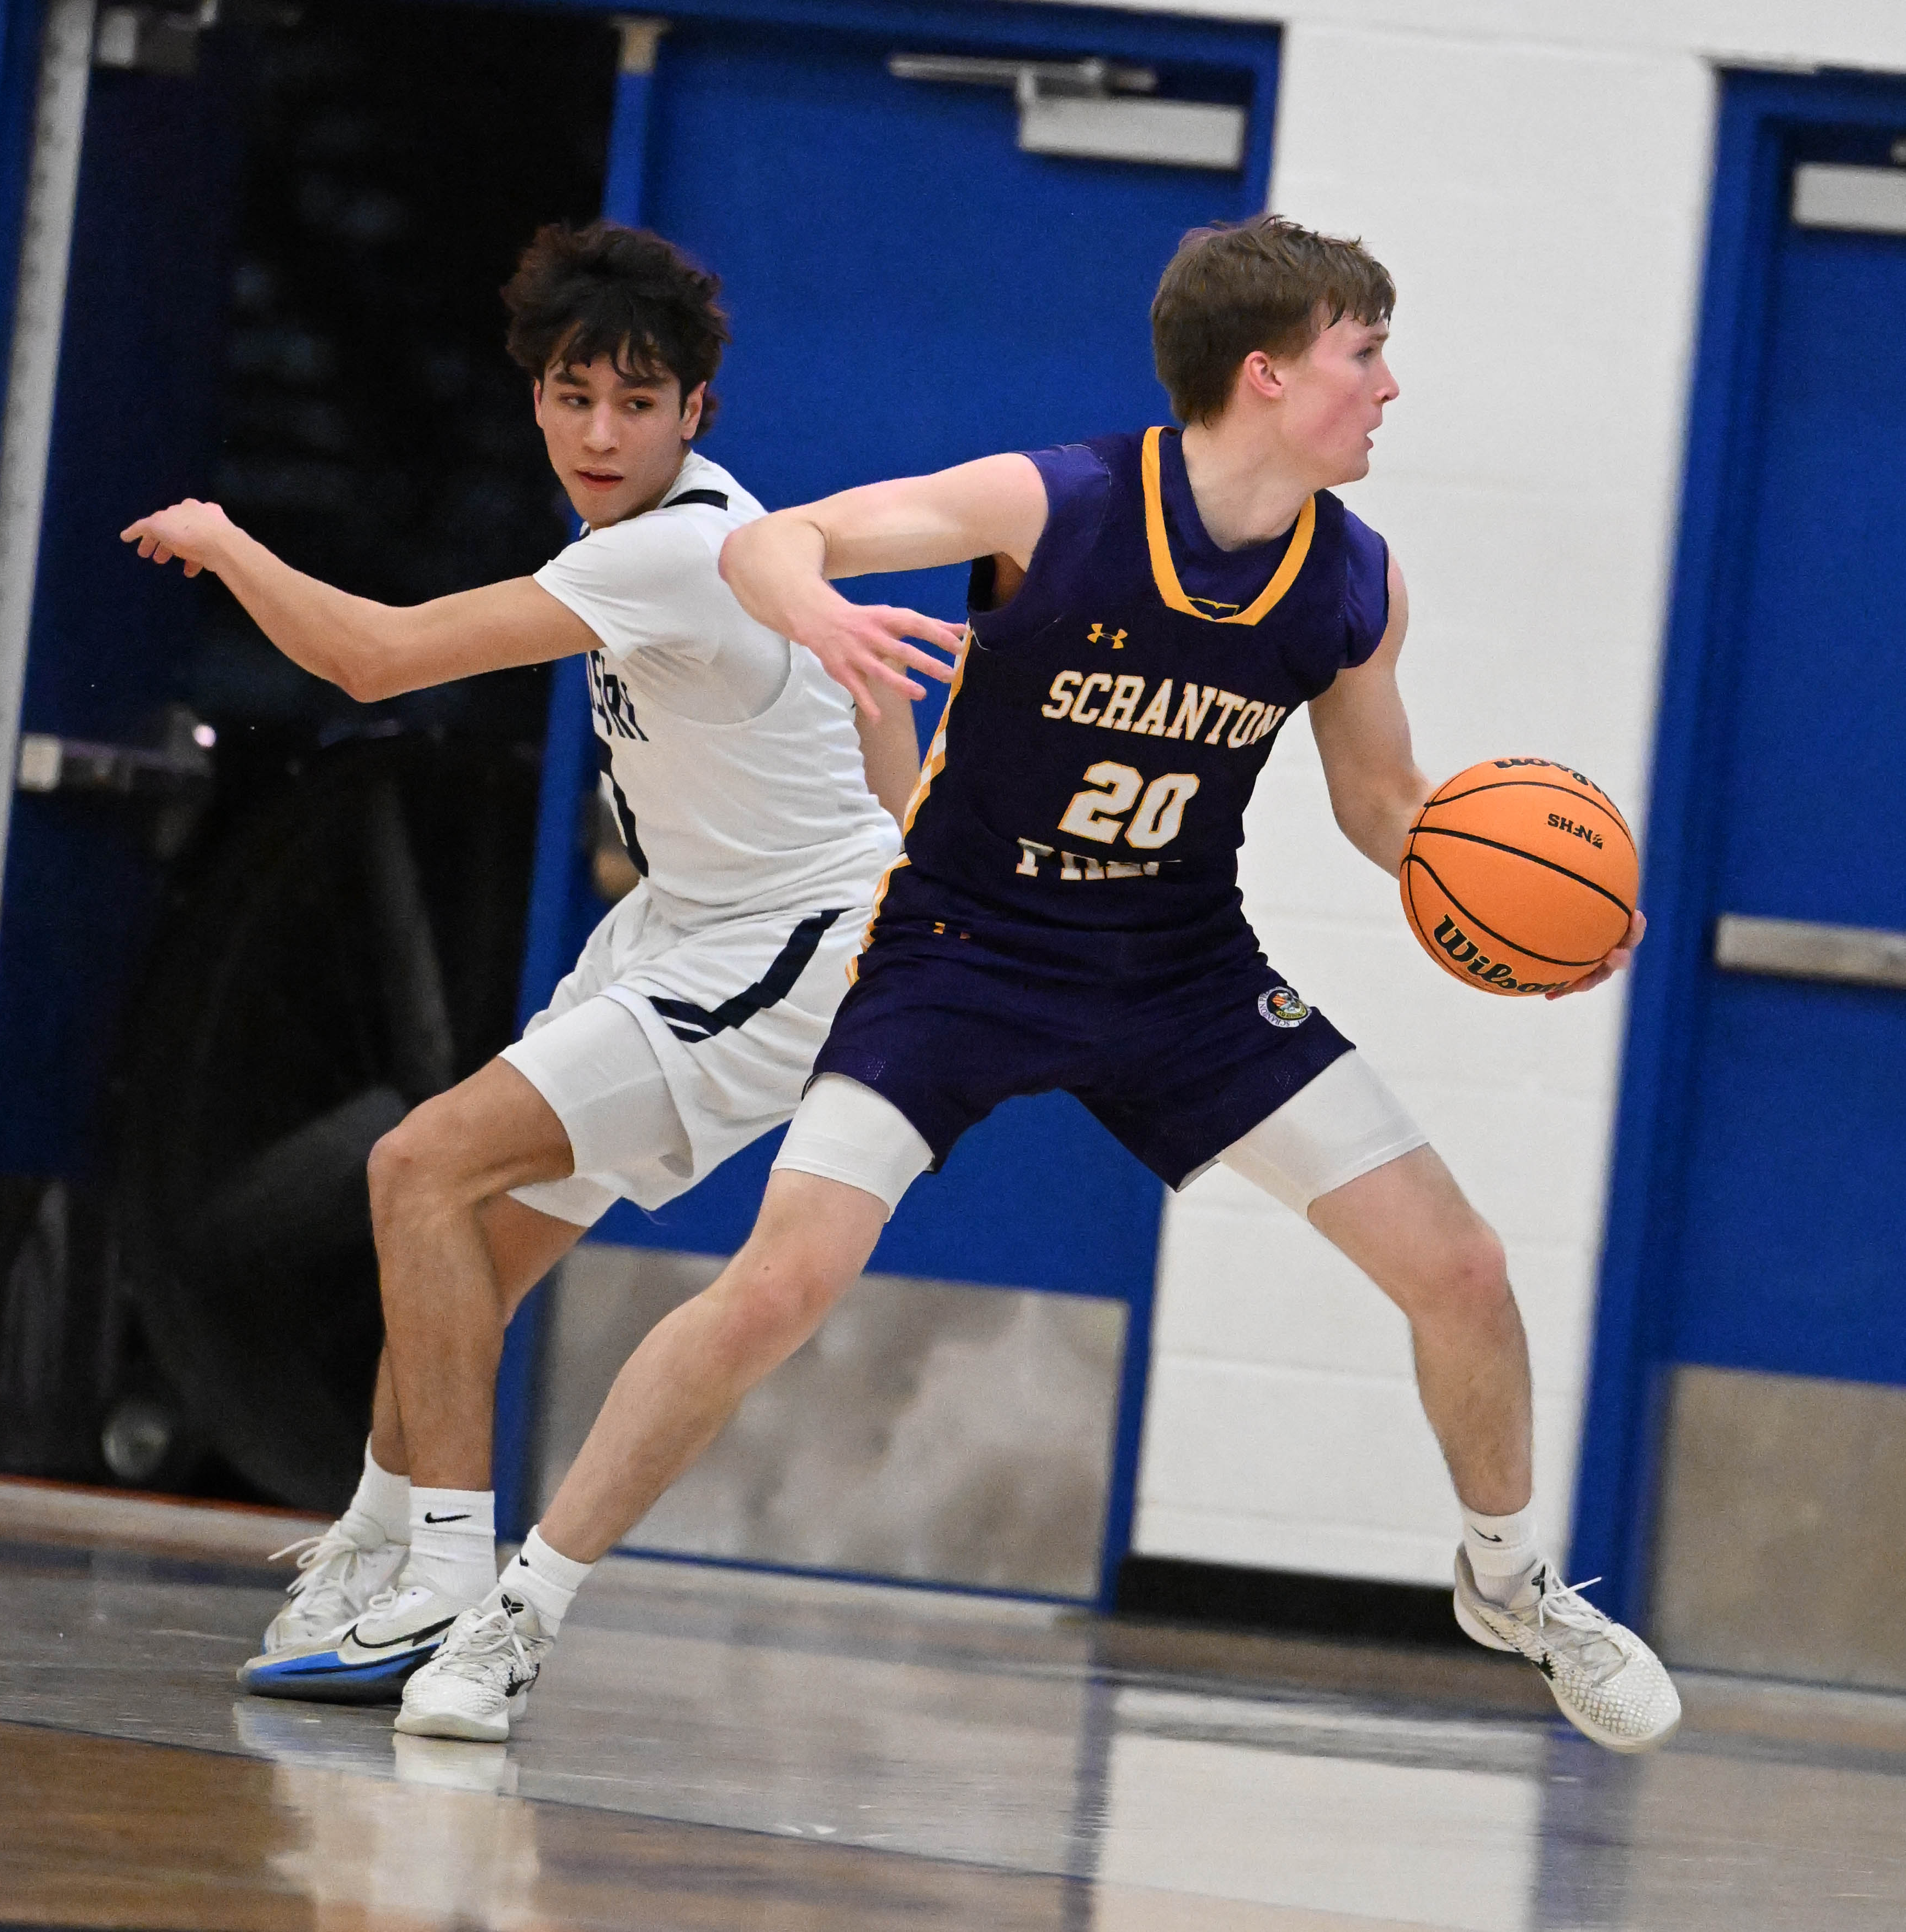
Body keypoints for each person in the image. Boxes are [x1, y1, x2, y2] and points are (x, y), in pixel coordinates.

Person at [378, 212, 1680, 1756]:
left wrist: (1529, 916)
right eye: (1364, 352)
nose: (1388, 387)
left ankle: (1509, 1584)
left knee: (1460, 1266)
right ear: (1265, 375)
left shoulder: (1353, 585)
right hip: (962, 953)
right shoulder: (1049, 503)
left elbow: (1386, 805)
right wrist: (813, 604)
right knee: (781, 1283)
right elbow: (766, 541)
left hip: (1179, 971)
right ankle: (519, 1610)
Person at [121, 219, 922, 1706]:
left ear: (695, 412)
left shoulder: (680, 552)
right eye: (572, 396)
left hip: (775, 949)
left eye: (636, 401)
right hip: (689, 923)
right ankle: (369, 1548)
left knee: (415, 1168)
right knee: (469, 1250)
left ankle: (438, 1574)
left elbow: (373, 660)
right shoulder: (688, 534)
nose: (600, 431)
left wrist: (226, 542)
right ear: (536, 399)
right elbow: (882, 727)